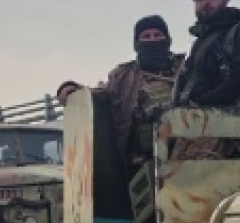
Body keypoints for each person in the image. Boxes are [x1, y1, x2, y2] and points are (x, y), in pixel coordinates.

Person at [57, 16, 186, 174]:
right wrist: (72, 89)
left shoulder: (188, 70)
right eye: (146, 36)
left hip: (188, 157)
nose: (152, 40)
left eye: (157, 35)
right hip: (143, 164)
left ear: (168, 39)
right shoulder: (123, 77)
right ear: (136, 44)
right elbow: (100, 95)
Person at [172, 0, 240, 110]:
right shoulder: (201, 40)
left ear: (225, 0)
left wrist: (204, 101)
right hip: (199, 118)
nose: (206, 2)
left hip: (228, 119)